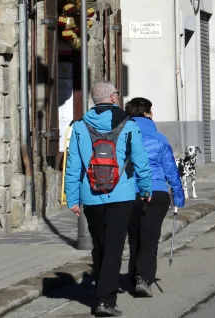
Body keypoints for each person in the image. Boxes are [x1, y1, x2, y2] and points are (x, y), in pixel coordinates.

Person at [65, 82, 152, 317]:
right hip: (121, 194)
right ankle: (106, 300)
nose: (118, 96)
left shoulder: (80, 127)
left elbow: (73, 166)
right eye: (117, 93)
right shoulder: (128, 124)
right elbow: (141, 161)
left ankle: (102, 290)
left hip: (91, 196)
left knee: (100, 246)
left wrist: (72, 198)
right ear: (112, 98)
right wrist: (145, 189)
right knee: (114, 247)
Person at [124, 97, 185, 298]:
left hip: (129, 194)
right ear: (148, 114)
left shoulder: (122, 136)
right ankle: (143, 277)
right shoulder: (159, 138)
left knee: (134, 237)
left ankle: (133, 275)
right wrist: (178, 194)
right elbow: (170, 169)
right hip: (157, 192)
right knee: (150, 237)